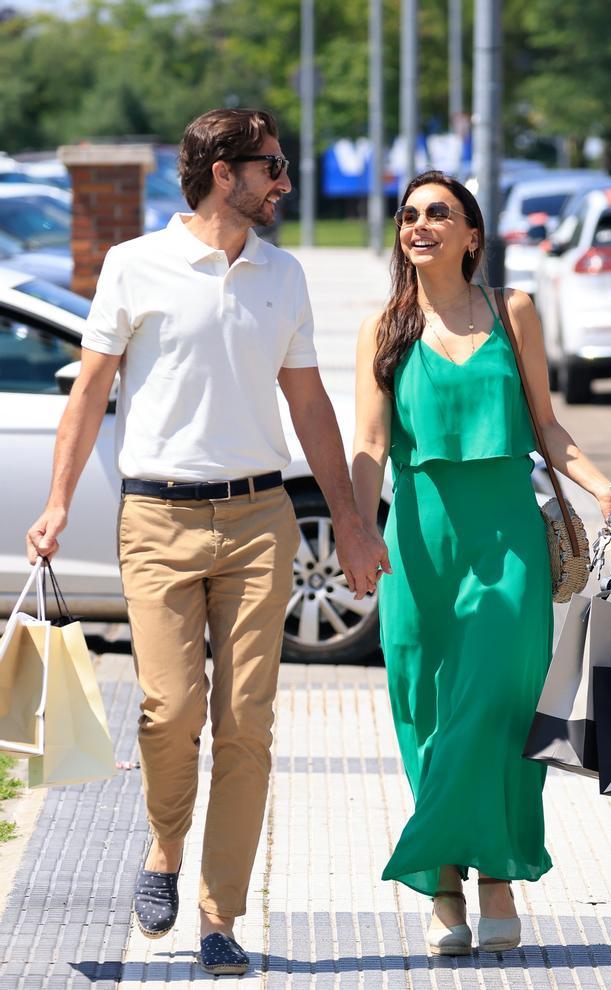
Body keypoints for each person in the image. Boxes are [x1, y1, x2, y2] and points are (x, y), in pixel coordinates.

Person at [26, 107, 388, 976]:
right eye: (273, 167)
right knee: (170, 709)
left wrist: (347, 518)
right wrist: (57, 502)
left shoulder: (282, 273)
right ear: (225, 172)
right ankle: (162, 850)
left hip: (261, 522)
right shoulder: (134, 264)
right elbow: (89, 395)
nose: (285, 184)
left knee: (247, 722)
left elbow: (308, 406)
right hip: (156, 519)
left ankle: (220, 916)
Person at [351, 169, 611, 956]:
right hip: (420, 546)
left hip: (508, 543)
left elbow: (548, 428)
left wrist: (608, 492)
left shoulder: (513, 313)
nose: (419, 224)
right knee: (427, 711)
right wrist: (355, 524)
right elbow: (372, 445)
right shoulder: (384, 326)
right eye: (409, 214)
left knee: (496, 708)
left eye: (438, 213)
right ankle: (444, 880)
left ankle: (496, 877)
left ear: (472, 235)